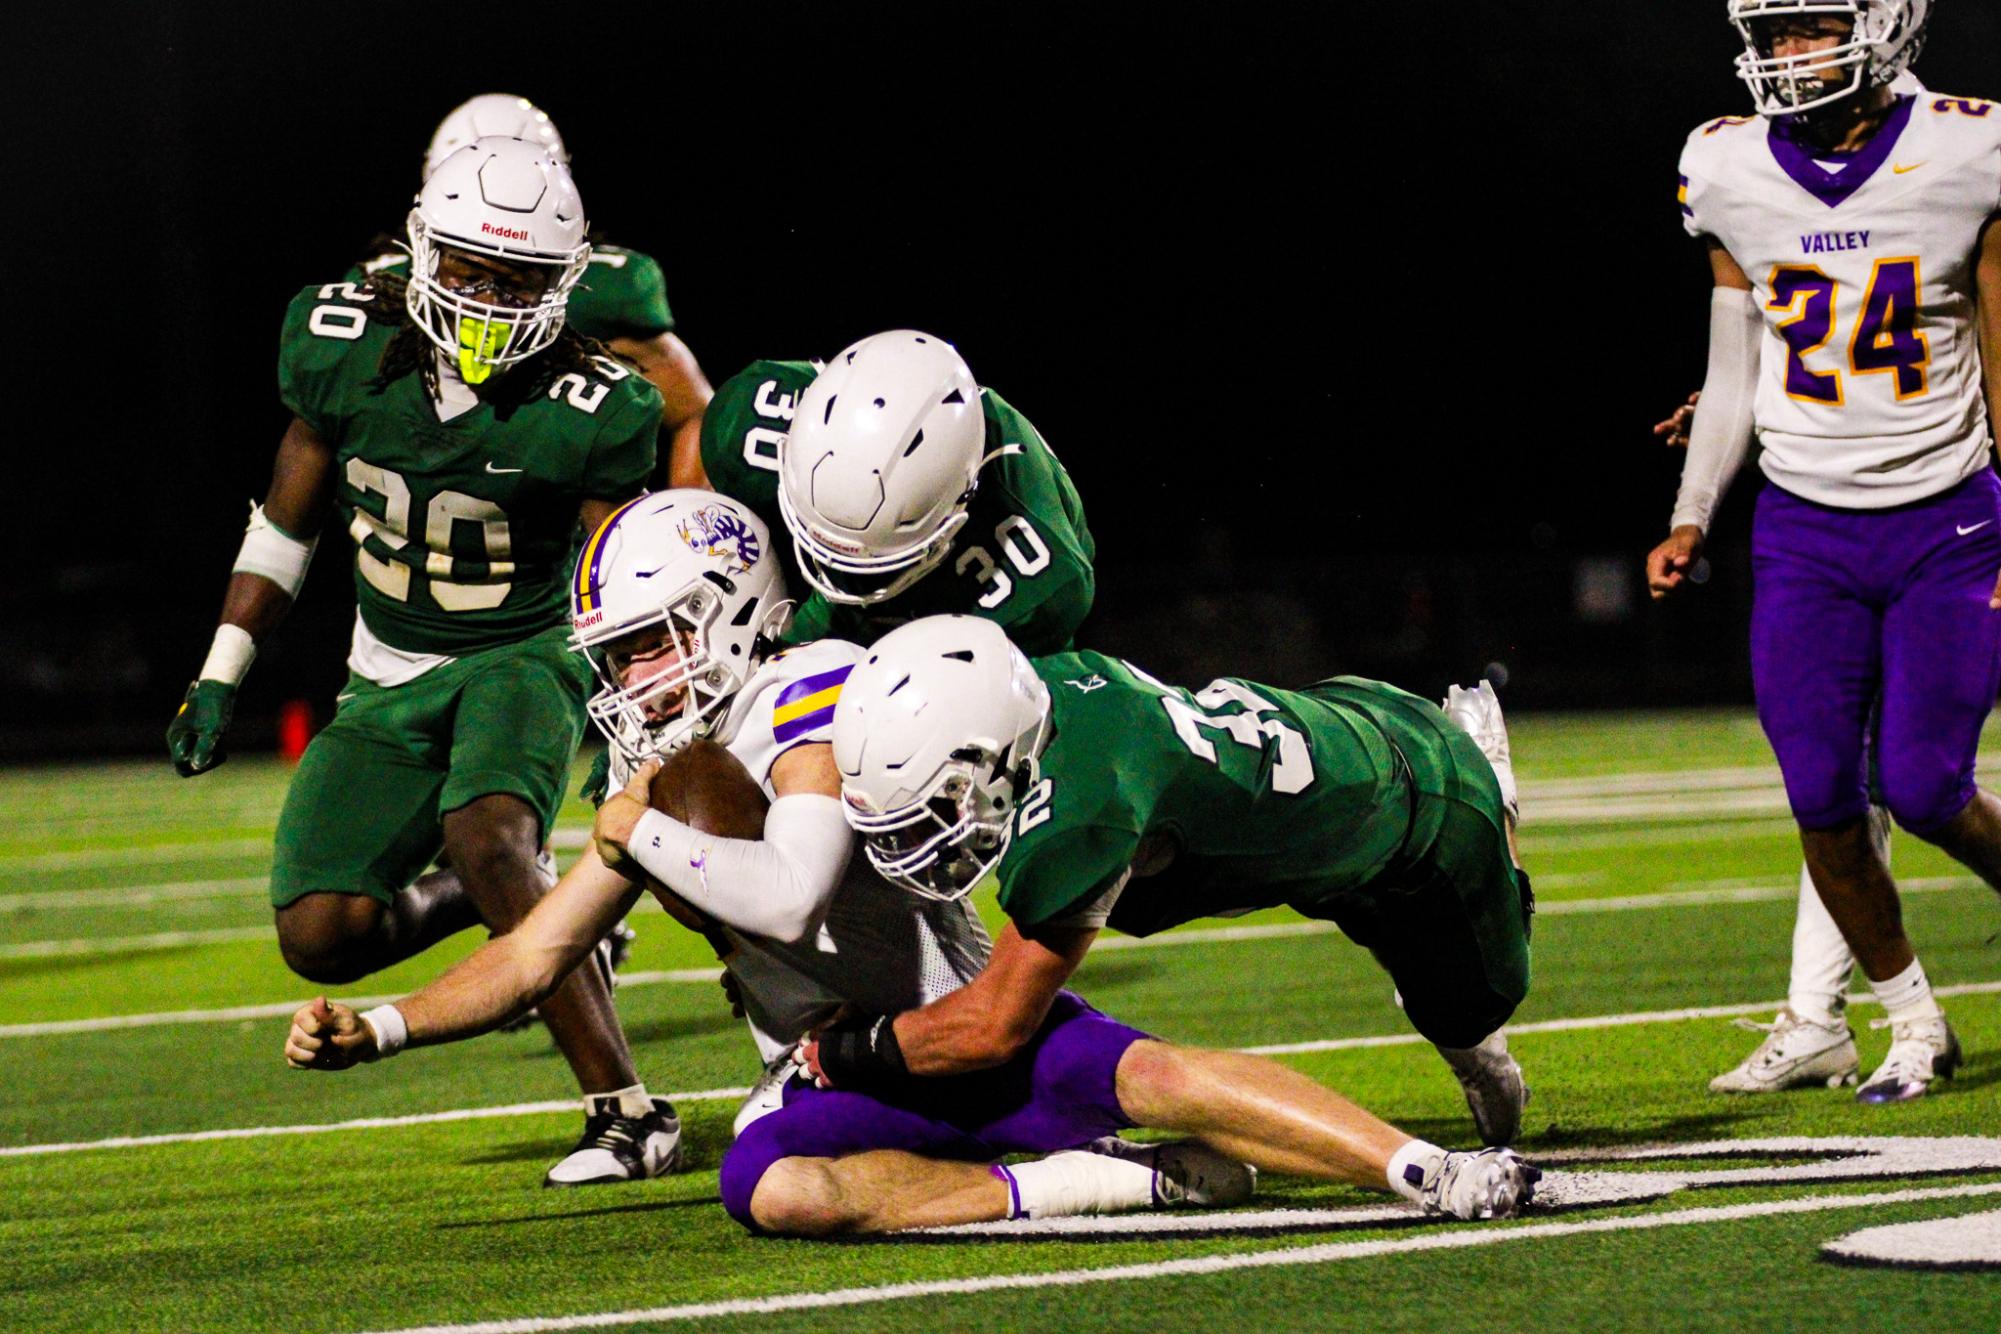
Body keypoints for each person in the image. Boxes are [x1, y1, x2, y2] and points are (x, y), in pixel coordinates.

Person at [283, 493, 1536, 1232]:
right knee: (775, 1193)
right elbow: (533, 953)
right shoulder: (653, 783)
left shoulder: (814, 695)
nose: (626, 681)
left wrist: (638, 828)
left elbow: (788, 885)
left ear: (726, 613)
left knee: (1150, 1069)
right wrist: (384, 1024)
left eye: (648, 645)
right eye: (614, 655)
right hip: (832, 1064)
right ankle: (1092, 1186)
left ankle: (1427, 1166)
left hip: (957, 1019)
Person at [170, 136, 680, 1184]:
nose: (491, 302)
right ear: (421, 253)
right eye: (471, 271)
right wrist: (222, 669)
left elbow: (613, 573)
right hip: (386, 665)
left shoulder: (594, 404)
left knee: (487, 829)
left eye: (521, 280)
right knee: (320, 931)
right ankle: (495, 889)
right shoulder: (342, 346)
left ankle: (628, 1109)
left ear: (565, 283)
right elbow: (286, 519)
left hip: (523, 650)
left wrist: (631, 718)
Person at [812, 614, 1537, 1153]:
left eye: (933, 810)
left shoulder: (1084, 814)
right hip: (1331, 769)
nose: (914, 841)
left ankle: (1491, 781)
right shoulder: (1040, 694)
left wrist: (846, 1053)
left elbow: (993, 1026)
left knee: (1469, 1010)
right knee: (1352, 915)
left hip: (1424, 807)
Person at [1647, 0, 2001, 1102]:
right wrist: (1693, 507)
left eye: (1814, 26)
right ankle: (1907, 1021)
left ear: (1889, 20)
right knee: (1823, 798)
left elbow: (1999, 339)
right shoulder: (1725, 161)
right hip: (1804, 526)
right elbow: (1739, 355)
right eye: (1778, 30)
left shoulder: (1968, 144)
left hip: (1944, 516)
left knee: (1927, 783)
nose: (1791, 52)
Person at [351, 94, 712, 480]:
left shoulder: (603, 292)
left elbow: (693, 412)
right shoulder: (380, 285)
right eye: (469, 275)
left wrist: (678, 518)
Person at [682, 330, 1096, 653]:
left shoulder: (1042, 585)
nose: (836, 574)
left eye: (868, 564)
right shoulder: (745, 425)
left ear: (960, 507)